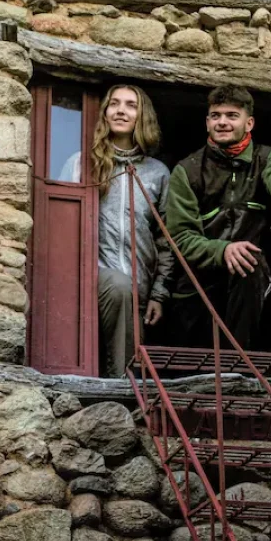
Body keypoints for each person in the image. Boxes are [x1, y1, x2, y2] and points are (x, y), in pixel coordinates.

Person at [164, 85, 271, 350]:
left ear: (249, 123)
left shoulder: (268, 158)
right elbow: (180, 237)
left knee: (251, 260)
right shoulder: (186, 170)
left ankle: (239, 360)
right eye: (215, 115)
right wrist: (222, 250)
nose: (222, 122)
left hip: (249, 287)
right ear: (207, 122)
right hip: (197, 288)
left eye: (232, 115)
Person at [61, 84, 174, 378]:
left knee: (131, 341)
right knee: (120, 287)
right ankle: (120, 386)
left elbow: (167, 239)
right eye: (114, 104)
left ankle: (121, 396)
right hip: (92, 275)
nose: (121, 110)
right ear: (104, 112)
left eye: (131, 105)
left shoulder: (158, 173)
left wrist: (159, 294)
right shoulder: (81, 163)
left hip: (140, 283)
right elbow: (61, 222)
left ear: (142, 116)